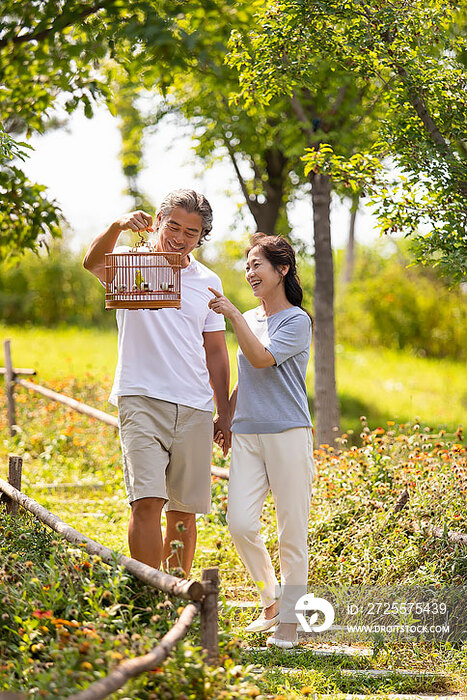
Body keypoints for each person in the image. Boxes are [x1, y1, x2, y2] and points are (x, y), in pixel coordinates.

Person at [83, 189, 231, 576]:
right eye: (174, 226)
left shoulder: (208, 280)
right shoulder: (132, 264)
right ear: (158, 221)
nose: (180, 238)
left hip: (196, 407)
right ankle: (149, 597)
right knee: (146, 502)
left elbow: (215, 351)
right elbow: (91, 262)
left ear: (202, 237)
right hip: (141, 397)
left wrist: (225, 413)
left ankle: (176, 595)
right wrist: (117, 225)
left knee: (183, 511)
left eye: (192, 232)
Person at [208, 233, 314, 649]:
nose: (250, 272)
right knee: (240, 523)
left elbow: (262, 358)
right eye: (248, 265)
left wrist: (233, 315)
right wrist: (227, 414)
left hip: (288, 433)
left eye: (258, 265)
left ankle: (290, 621)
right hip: (248, 433)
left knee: (292, 530)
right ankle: (270, 599)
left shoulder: (296, 321)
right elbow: (249, 374)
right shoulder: (250, 318)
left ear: (282, 269)